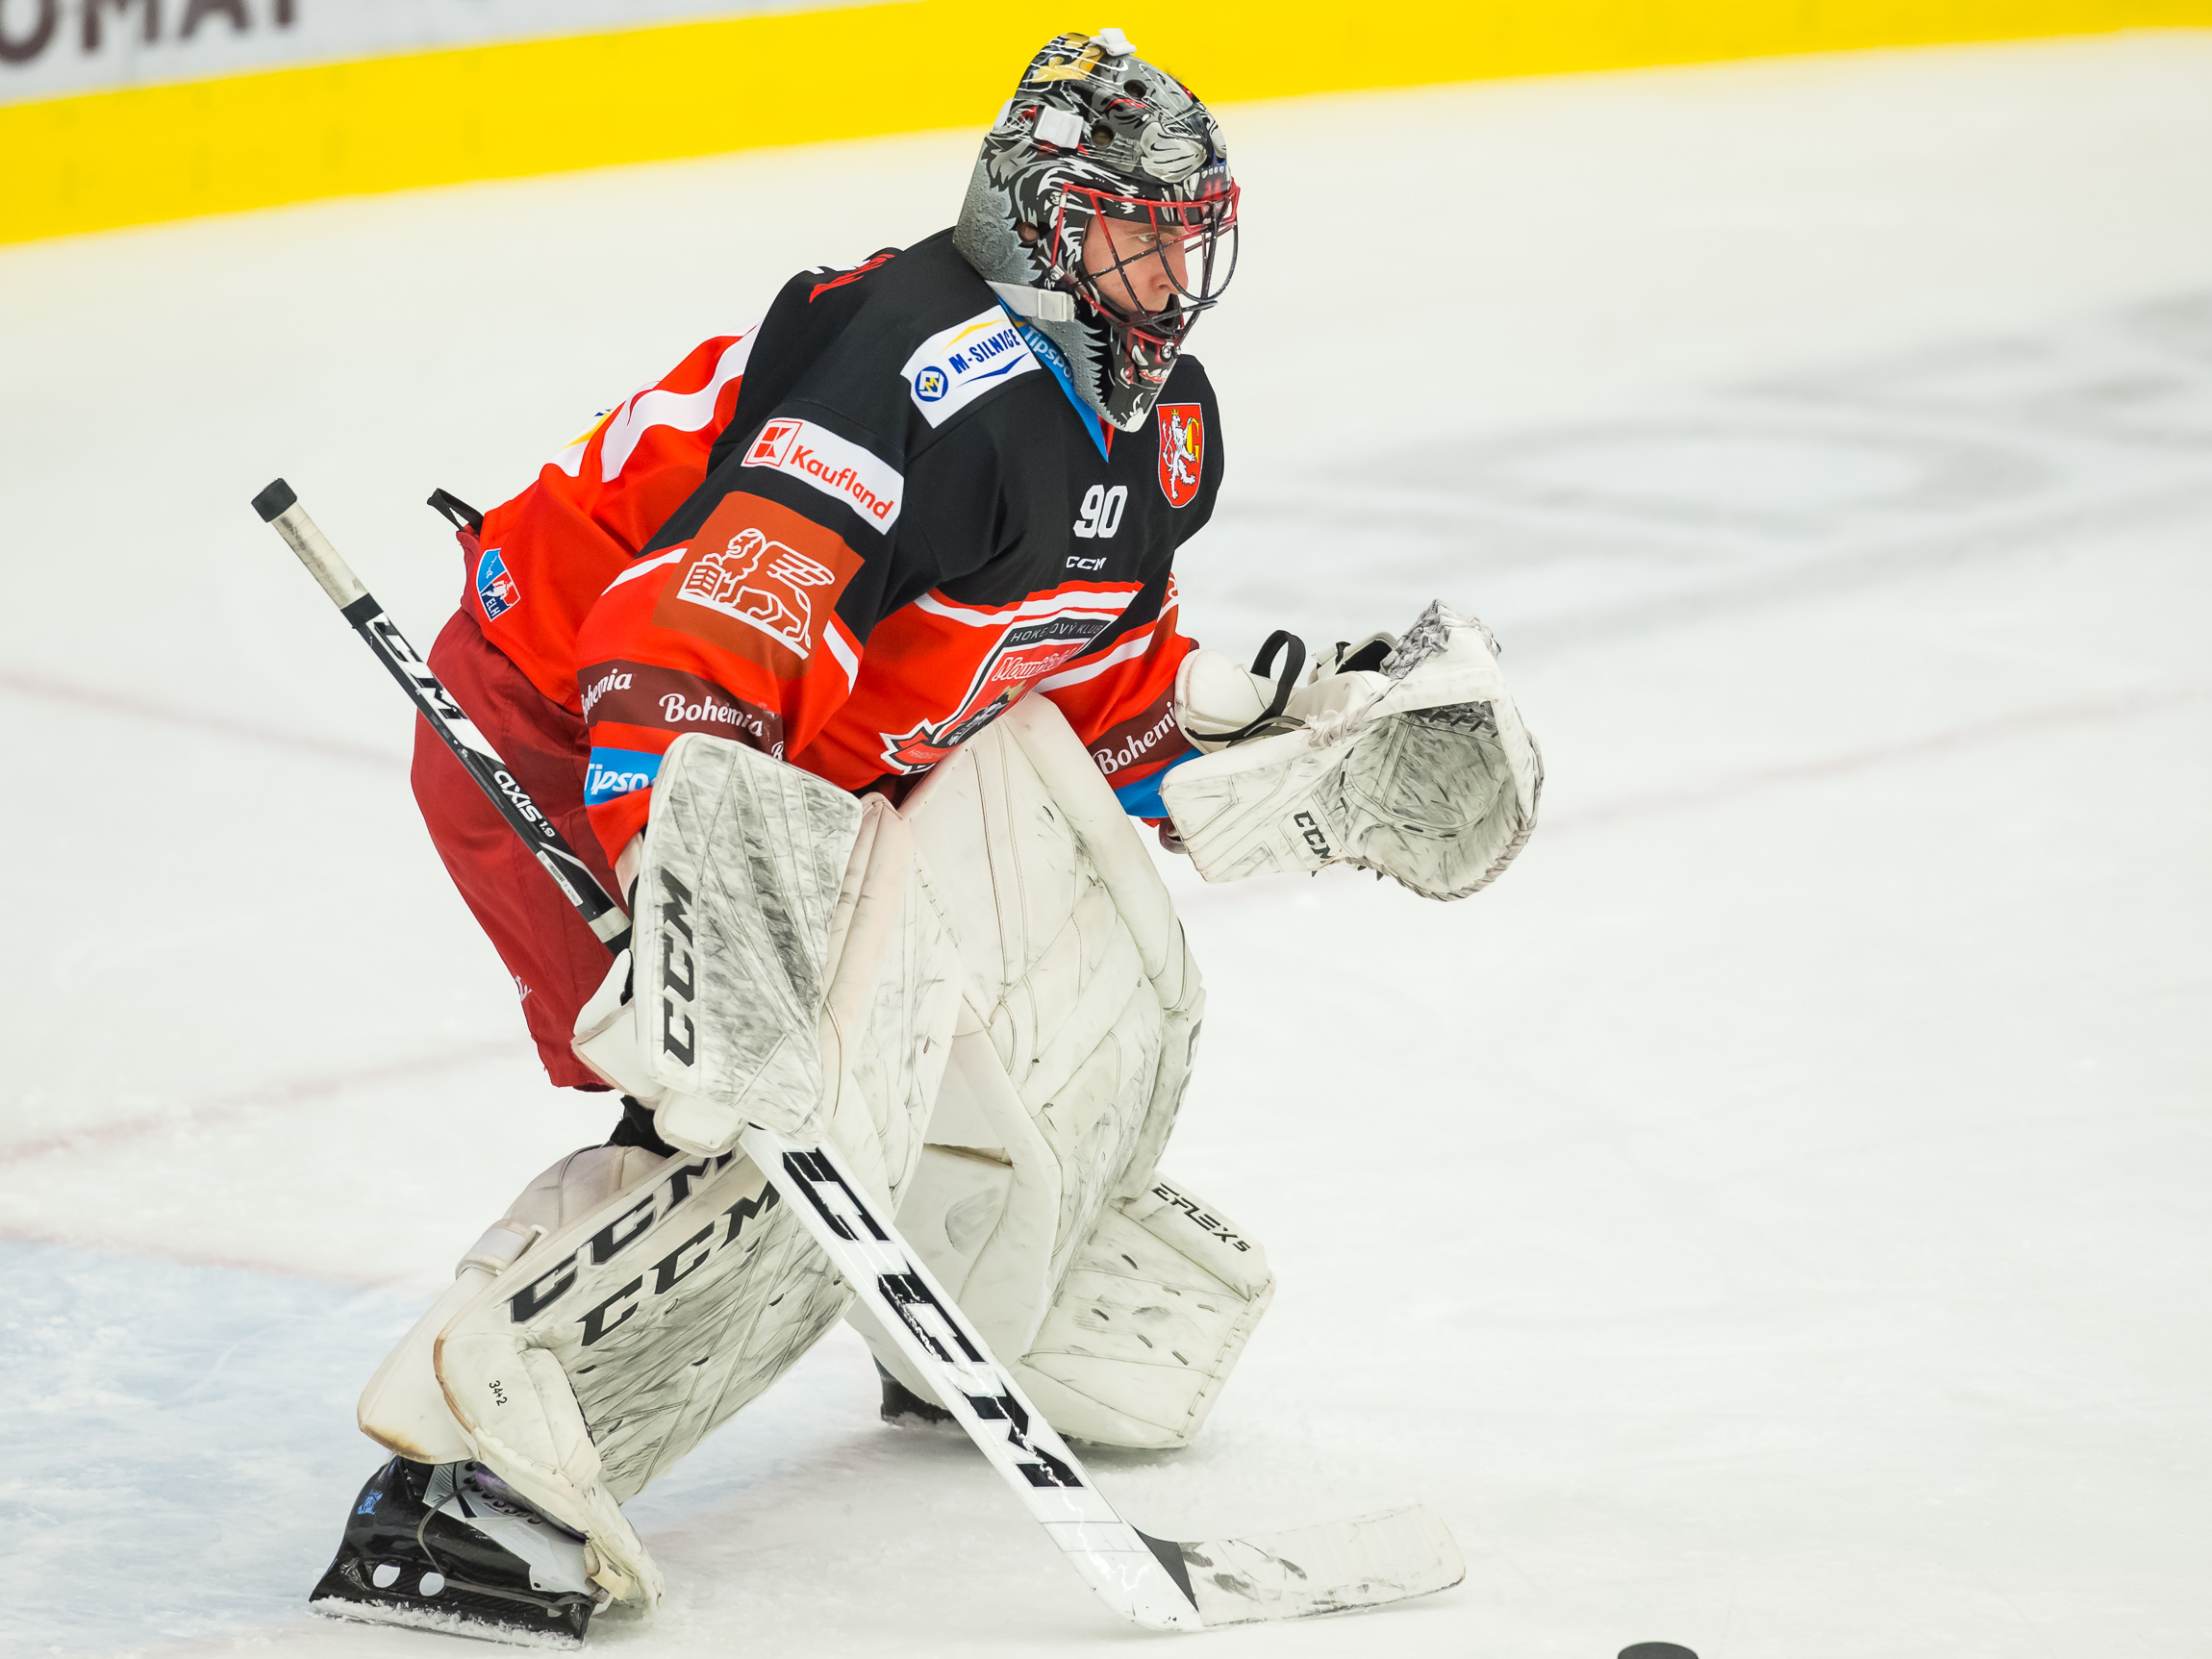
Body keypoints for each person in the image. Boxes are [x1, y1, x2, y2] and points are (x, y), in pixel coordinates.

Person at [307, 28, 1539, 1646]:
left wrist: (1272, 736)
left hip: (808, 751)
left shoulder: (1157, 423)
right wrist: (697, 898)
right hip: (574, 724)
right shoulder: (915, 373)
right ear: (1038, 219)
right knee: (766, 1096)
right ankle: (472, 1481)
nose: (1172, 270)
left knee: (1077, 941)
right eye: (1132, 228)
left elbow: (1075, 685)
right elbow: (698, 638)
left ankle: (971, 1299)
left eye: (1186, 232)